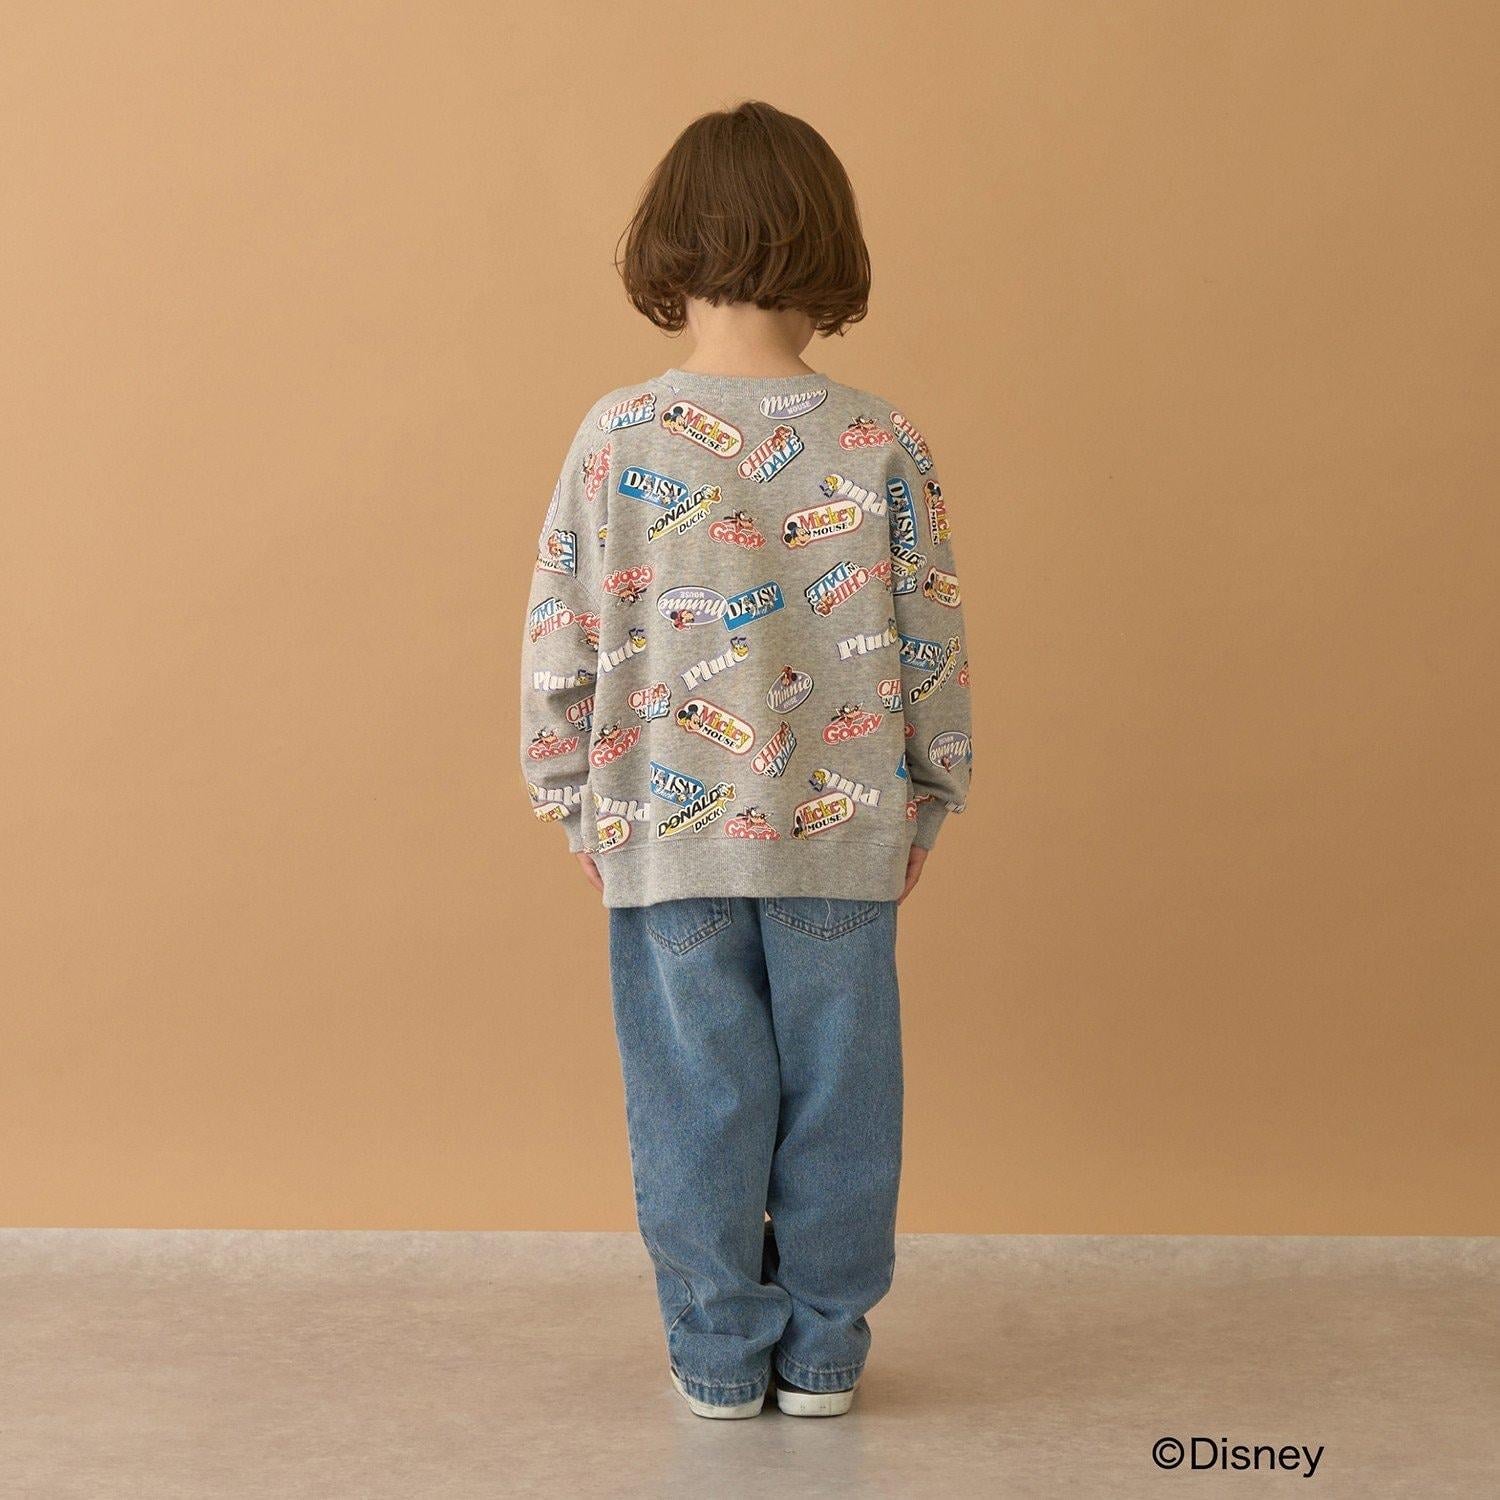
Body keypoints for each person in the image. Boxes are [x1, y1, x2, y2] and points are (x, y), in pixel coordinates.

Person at [518, 101, 973, 1419]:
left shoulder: (617, 437)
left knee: (695, 1101)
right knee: (844, 1100)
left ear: (667, 241)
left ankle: (719, 1353)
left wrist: (575, 804)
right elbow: (932, 642)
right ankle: (823, 1350)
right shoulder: (881, 440)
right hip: (845, 837)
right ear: (830, 244)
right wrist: (924, 803)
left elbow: (562, 638)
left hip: (668, 842)